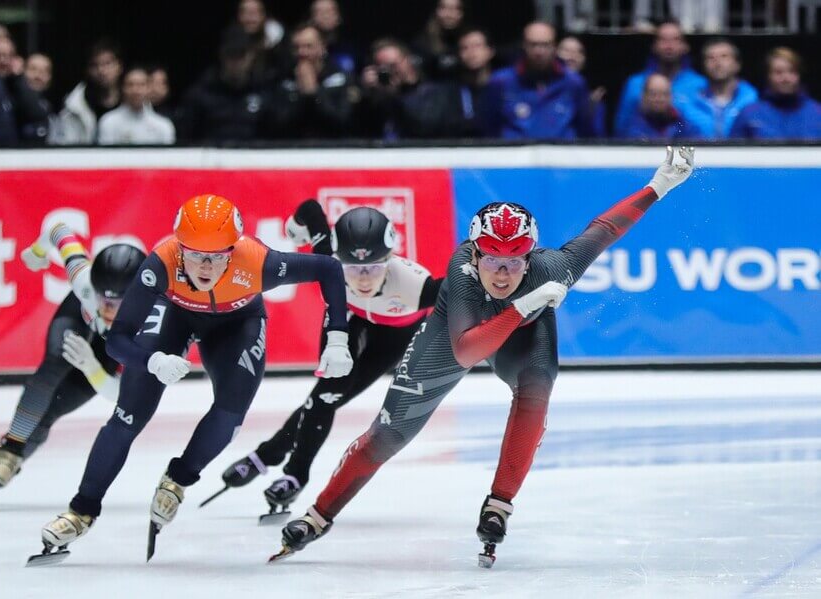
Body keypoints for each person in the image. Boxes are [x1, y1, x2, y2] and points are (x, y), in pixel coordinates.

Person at [272, 146, 696, 567]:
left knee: (536, 391)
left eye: (514, 262)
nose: (502, 272)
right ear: (474, 254)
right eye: (492, 258)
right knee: (389, 436)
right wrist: (521, 307)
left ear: (530, 257)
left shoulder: (554, 268)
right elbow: (466, 349)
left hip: (522, 337)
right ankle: (319, 515)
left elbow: (604, 229)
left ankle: (499, 504)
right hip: (457, 335)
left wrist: (658, 185)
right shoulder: (464, 275)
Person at [37, 195, 355, 560]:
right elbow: (118, 340)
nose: (206, 266)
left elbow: (329, 269)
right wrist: (153, 360)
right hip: (175, 316)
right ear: (179, 248)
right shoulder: (161, 263)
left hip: (238, 325)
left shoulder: (258, 262)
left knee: (232, 408)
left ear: (233, 251)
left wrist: (338, 337)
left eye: (218, 256)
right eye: (195, 254)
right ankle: (82, 509)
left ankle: (178, 479)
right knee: (127, 416)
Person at [219, 201, 442, 513]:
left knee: (330, 398)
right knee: (324, 397)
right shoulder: (328, 259)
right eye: (352, 269)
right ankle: (294, 475)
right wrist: (295, 227)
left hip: (394, 335)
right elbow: (311, 209)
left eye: (374, 268)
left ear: (390, 260)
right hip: (346, 320)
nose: (363, 280)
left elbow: (471, 291)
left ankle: (268, 455)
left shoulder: (418, 287)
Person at [0, 224, 146, 502]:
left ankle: (2, 466)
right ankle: (7, 458)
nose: (107, 309)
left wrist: (93, 369)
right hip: (78, 315)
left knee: (53, 409)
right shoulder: (84, 282)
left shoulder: (152, 325)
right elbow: (60, 231)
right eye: (103, 298)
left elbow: (123, 395)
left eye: (117, 302)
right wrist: (36, 252)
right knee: (54, 364)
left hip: (109, 351)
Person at [484, 22, 595, 140]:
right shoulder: (500, 82)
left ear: (555, 46)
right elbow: (489, 128)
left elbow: (585, 129)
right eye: (533, 44)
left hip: (561, 155)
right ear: (523, 45)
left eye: (545, 45)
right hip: (515, 155)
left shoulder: (574, 83)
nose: (539, 51)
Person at [614, 21, 706, 135]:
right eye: (663, 39)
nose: (669, 46)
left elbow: (706, 127)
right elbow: (621, 128)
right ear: (654, 46)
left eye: (675, 40)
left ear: (685, 46)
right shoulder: (635, 84)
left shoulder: (700, 84)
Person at [263, 23, 354, 139]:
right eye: (296, 47)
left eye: (308, 46)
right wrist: (302, 96)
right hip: (291, 147)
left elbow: (343, 121)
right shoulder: (282, 79)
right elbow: (276, 124)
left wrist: (314, 93)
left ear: (322, 47)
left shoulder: (340, 78)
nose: (302, 52)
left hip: (331, 148)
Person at [730, 47, 821, 140]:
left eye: (792, 72)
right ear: (768, 76)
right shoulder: (749, 114)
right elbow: (732, 152)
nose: (786, 78)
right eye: (778, 72)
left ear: (799, 75)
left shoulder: (817, 112)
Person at [677, 38, 757, 139]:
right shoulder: (688, 103)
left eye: (724, 56)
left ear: (737, 64)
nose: (717, 63)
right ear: (703, 65)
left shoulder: (751, 100)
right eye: (711, 58)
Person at [51, 40, 122, 145]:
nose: (102, 71)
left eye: (107, 63)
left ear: (119, 66)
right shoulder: (72, 107)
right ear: (88, 70)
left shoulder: (135, 104)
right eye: (95, 65)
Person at [0, 35, 51, 144]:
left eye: (7, 56)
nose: (3, 61)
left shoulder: (17, 86)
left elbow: (37, 114)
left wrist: (19, 77)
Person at [97, 66, 175, 145]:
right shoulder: (108, 122)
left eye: (141, 85)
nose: (136, 91)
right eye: (130, 85)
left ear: (149, 88)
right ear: (122, 88)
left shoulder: (163, 126)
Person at [615, 73, 700, 140]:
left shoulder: (682, 125)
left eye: (664, 94)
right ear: (644, 96)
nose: (659, 99)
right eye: (653, 94)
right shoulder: (631, 127)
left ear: (671, 97)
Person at [413, 0, 465, 81]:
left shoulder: (469, 41)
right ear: (435, 11)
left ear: (462, 13)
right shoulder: (422, 44)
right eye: (444, 8)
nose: (449, 14)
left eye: (456, 8)